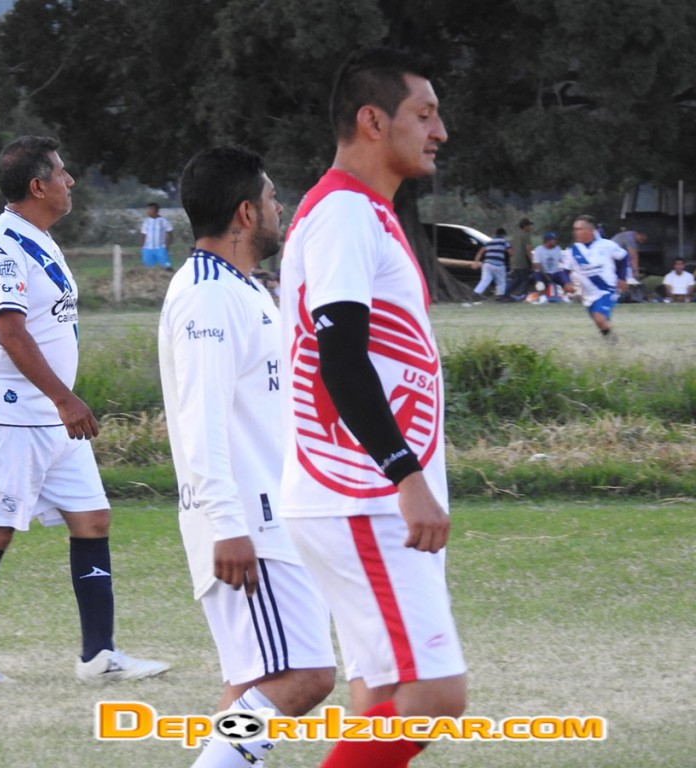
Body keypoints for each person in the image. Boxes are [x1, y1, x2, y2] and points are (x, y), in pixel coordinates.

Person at [278, 49, 467, 768]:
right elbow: (341, 358)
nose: (439, 131)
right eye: (425, 114)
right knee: (435, 694)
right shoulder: (344, 213)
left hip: (358, 496)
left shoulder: (364, 213)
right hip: (361, 496)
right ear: (372, 120)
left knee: (384, 693)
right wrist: (405, 474)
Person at [0, 136, 169, 684]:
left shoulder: (38, 238)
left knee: (92, 519)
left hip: (50, 414)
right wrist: (65, 398)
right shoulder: (0, 245)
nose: (70, 181)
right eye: (62, 173)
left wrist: (60, 401)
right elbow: (11, 332)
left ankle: (99, 657)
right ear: (37, 186)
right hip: (9, 411)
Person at [159, 146, 335, 767]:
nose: (279, 208)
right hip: (246, 522)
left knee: (251, 684)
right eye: (271, 198)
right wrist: (228, 525)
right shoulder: (207, 296)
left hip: (268, 515)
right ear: (244, 213)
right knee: (304, 677)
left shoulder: (242, 288)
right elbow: (199, 419)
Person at [563, 215, 630, 339]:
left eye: (579, 229)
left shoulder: (607, 245)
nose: (575, 232)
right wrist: (566, 283)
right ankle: (612, 339)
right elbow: (564, 270)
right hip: (587, 294)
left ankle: (612, 342)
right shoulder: (572, 251)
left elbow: (623, 257)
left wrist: (622, 278)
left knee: (599, 318)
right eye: (575, 229)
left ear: (591, 230)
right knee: (599, 321)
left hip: (607, 289)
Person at [470, 227, 509, 300]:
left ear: (496, 234)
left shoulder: (489, 242)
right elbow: (511, 252)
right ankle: (500, 296)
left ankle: (476, 293)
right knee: (501, 281)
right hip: (498, 264)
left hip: (487, 264)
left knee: (485, 280)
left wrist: (476, 263)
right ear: (503, 235)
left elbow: (480, 253)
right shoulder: (504, 242)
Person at [531, 231, 571, 301]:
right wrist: (547, 276)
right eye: (554, 240)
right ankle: (542, 296)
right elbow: (537, 266)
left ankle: (566, 296)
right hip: (544, 272)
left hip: (555, 272)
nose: (555, 241)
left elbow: (562, 261)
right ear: (548, 241)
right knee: (537, 275)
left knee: (564, 275)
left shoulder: (557, 248)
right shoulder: (539, 250)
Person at [505, 217, 534, 300]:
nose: (530, 227)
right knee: (525, 279)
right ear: (525, 226)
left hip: (514, 260)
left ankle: (506, 293)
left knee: (518, 278)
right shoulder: (526, 235)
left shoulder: (515, 234)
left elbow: (510, 247)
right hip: (522, 260)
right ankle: (523, 295)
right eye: (529, 225)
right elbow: (528, 249)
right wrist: (532, 262)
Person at [140, 202, 174, 270]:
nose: (148, 211)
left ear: (155, 210)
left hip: (160, 248)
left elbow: (170, 233)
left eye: (149, 209)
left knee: (166, 267)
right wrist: (142, 247)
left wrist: (167, 245)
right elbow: (143, 234)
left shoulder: (163, 221)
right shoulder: (146, 222)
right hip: (148, 248)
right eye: (147, 210)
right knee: (148, 268)